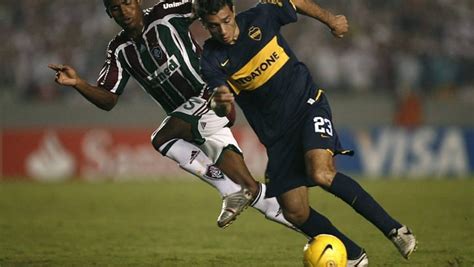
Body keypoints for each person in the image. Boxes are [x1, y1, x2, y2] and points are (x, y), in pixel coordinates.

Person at [196, 0, 417, 265]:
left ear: (233, 12)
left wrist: (330, 20)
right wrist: (221, 102)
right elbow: (221, 107)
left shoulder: (262, 16)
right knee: (295, 212)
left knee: (321, 172)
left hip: (308, 107)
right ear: (204, 26)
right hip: (277, 138)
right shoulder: (210, 58)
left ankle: (395, 230)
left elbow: (294, 2)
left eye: (225, 21)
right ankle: (354, 256)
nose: (221, 30)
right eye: (212, 26)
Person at [48, 0, 297, 231]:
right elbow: (108, 99)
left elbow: (205, 4)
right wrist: (78, 83)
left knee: (162, 138)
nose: (124, 11)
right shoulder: (119, 50)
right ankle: (312, 229)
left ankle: (228, 190)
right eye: (115, 8)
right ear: (109, 14)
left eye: (127, 2)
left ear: (137, 1)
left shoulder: (165, 13)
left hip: (211, 98)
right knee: (250, 188)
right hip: (190, 122)